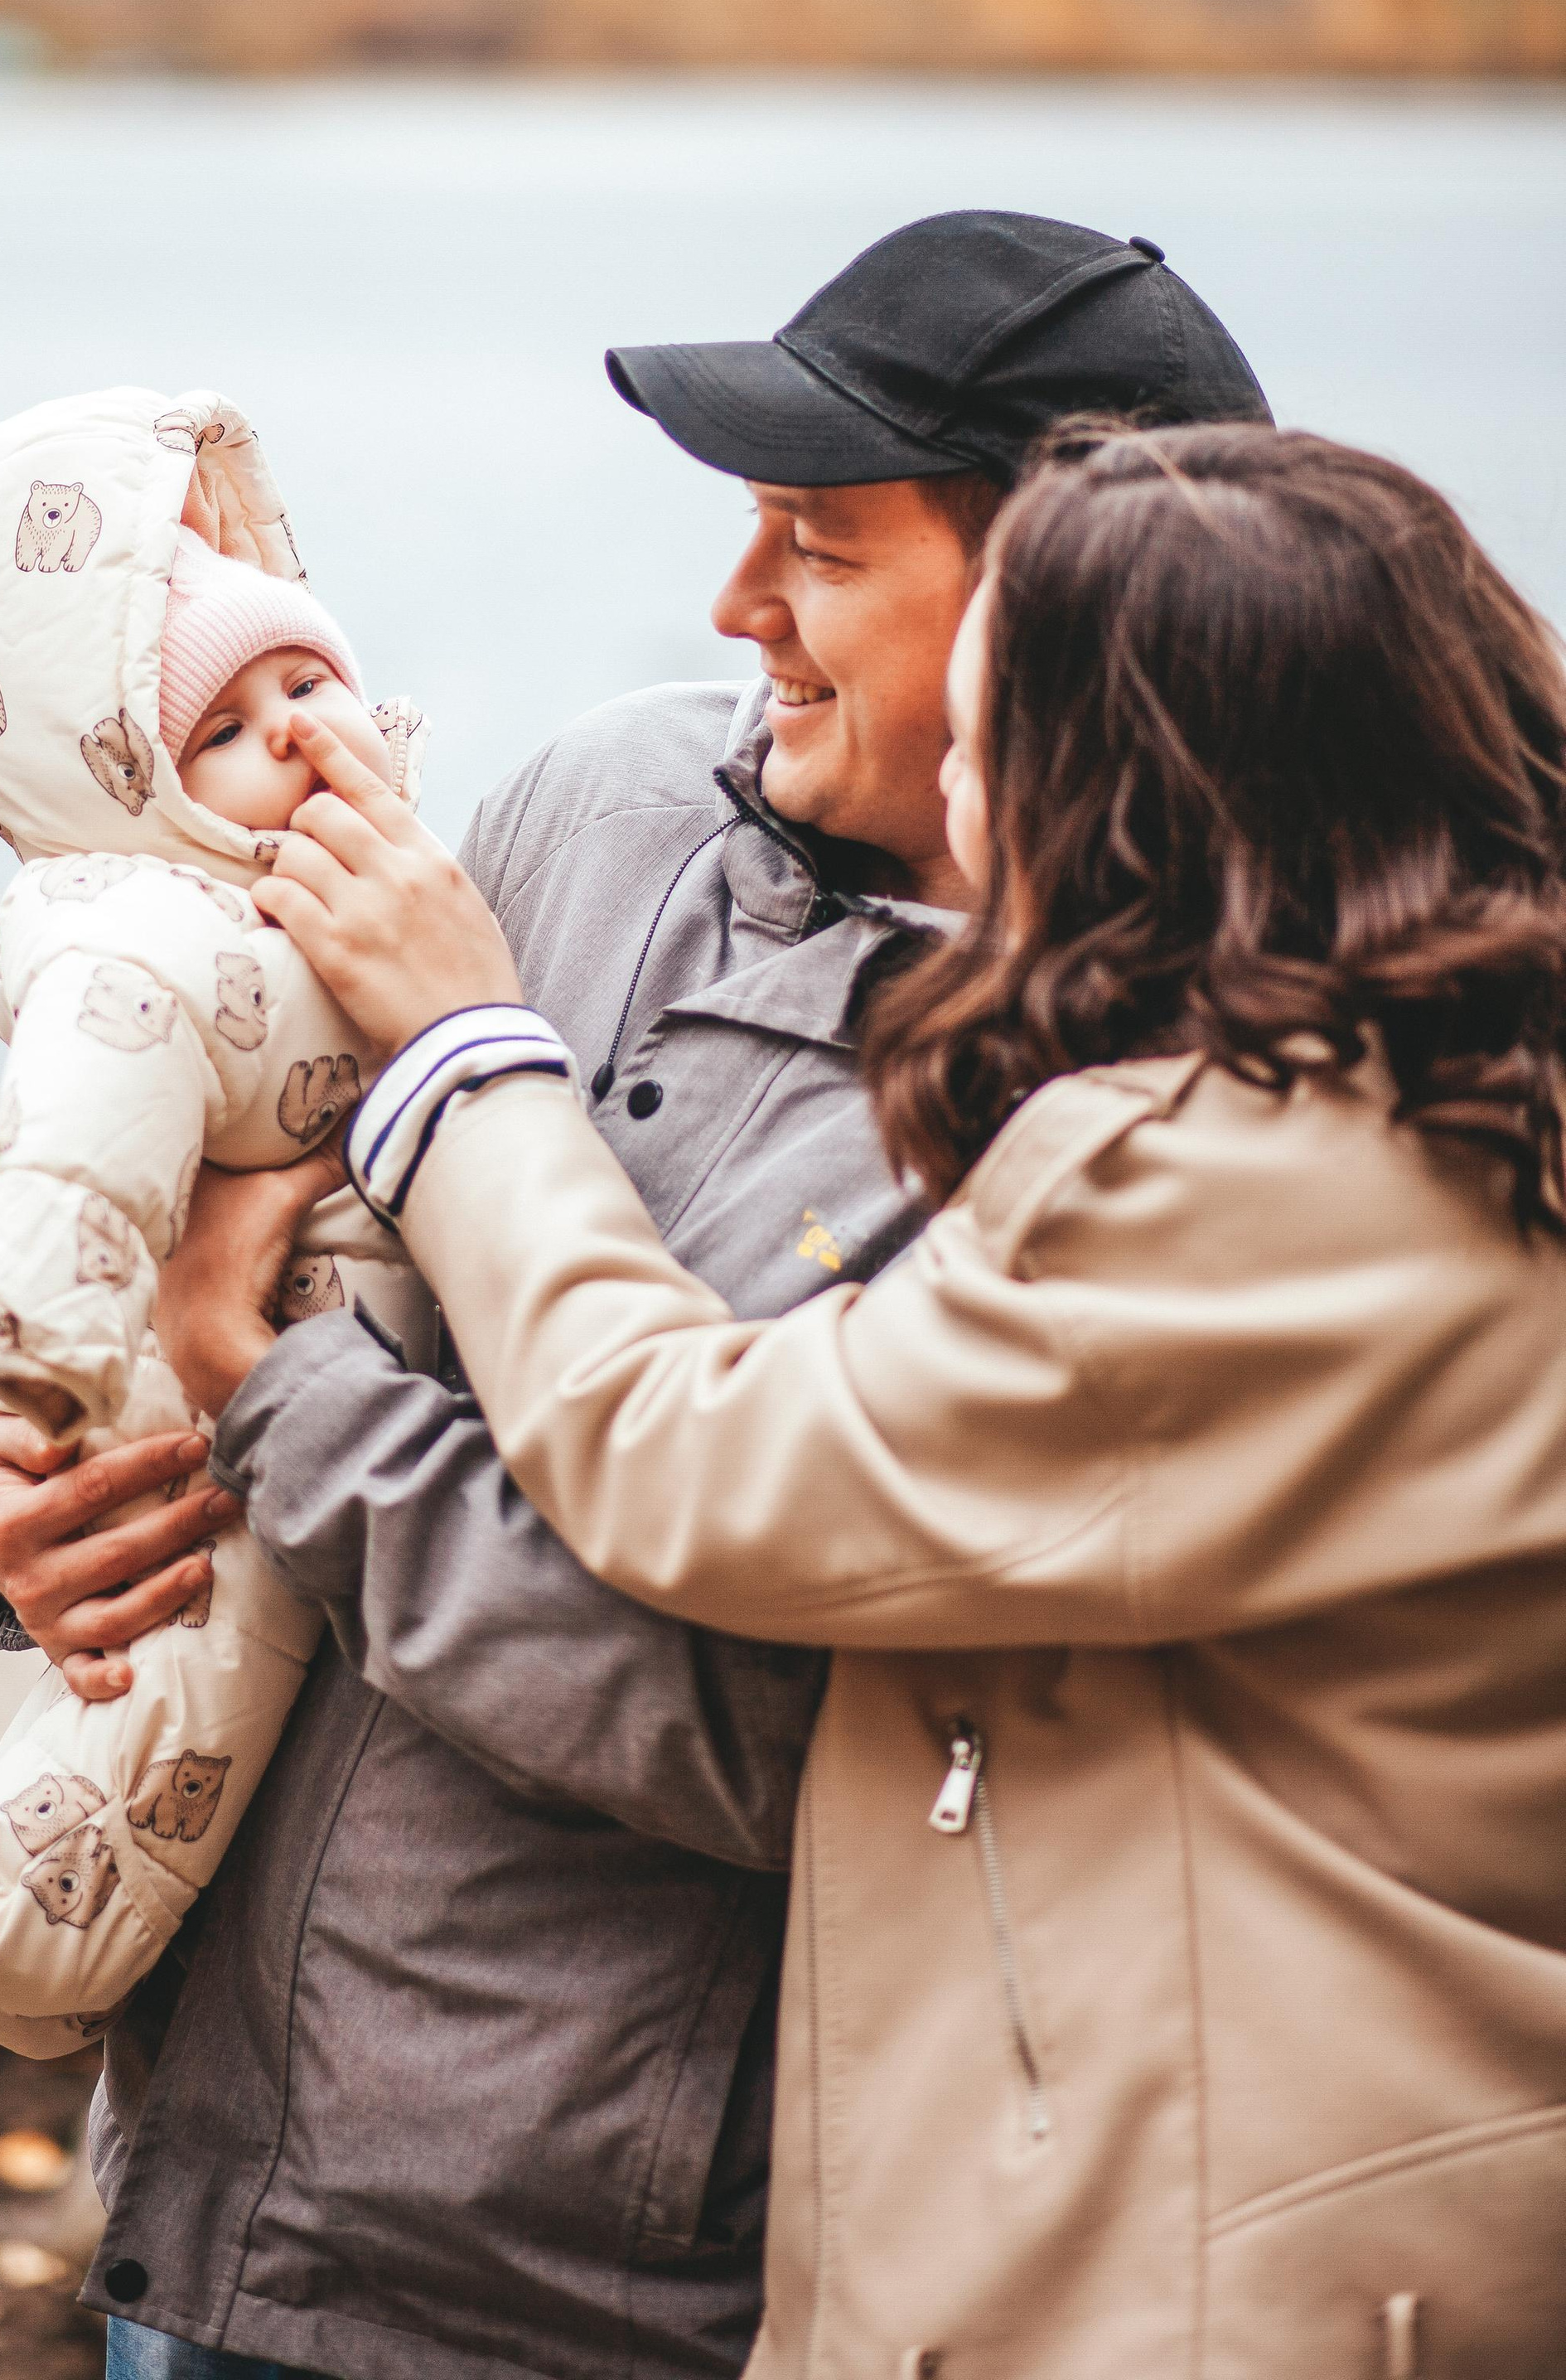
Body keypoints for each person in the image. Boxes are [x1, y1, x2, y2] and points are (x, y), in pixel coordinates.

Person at [0, 215, 1270, 2379]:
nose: (736, 605)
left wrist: (269, 1389)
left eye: (817, 548)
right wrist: (52, 1518)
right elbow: (268, 1238)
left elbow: (777, 1744)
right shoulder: (611, 795)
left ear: (1072, 595)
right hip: (201, 2203)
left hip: (563, 2293)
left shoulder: (1140, 1108)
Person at [193, 423, 1566, 2379]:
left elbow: (694, 1464)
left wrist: (467, 1066)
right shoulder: (1457, 1100)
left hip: (1218, 2296)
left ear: (1132, 793)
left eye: (992, 744)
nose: (962, 796)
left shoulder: (1257, 1184)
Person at [0, 385, 431, 2053]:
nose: (298, 734)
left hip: (341, 1416)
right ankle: (16, 1949)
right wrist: (40, 1378)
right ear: (142, 788)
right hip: (207, 1427)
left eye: (309, 683)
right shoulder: (144, 939)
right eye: (228, 730)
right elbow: (76, 1160)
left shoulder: (426, 887)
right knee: (180, 1671)